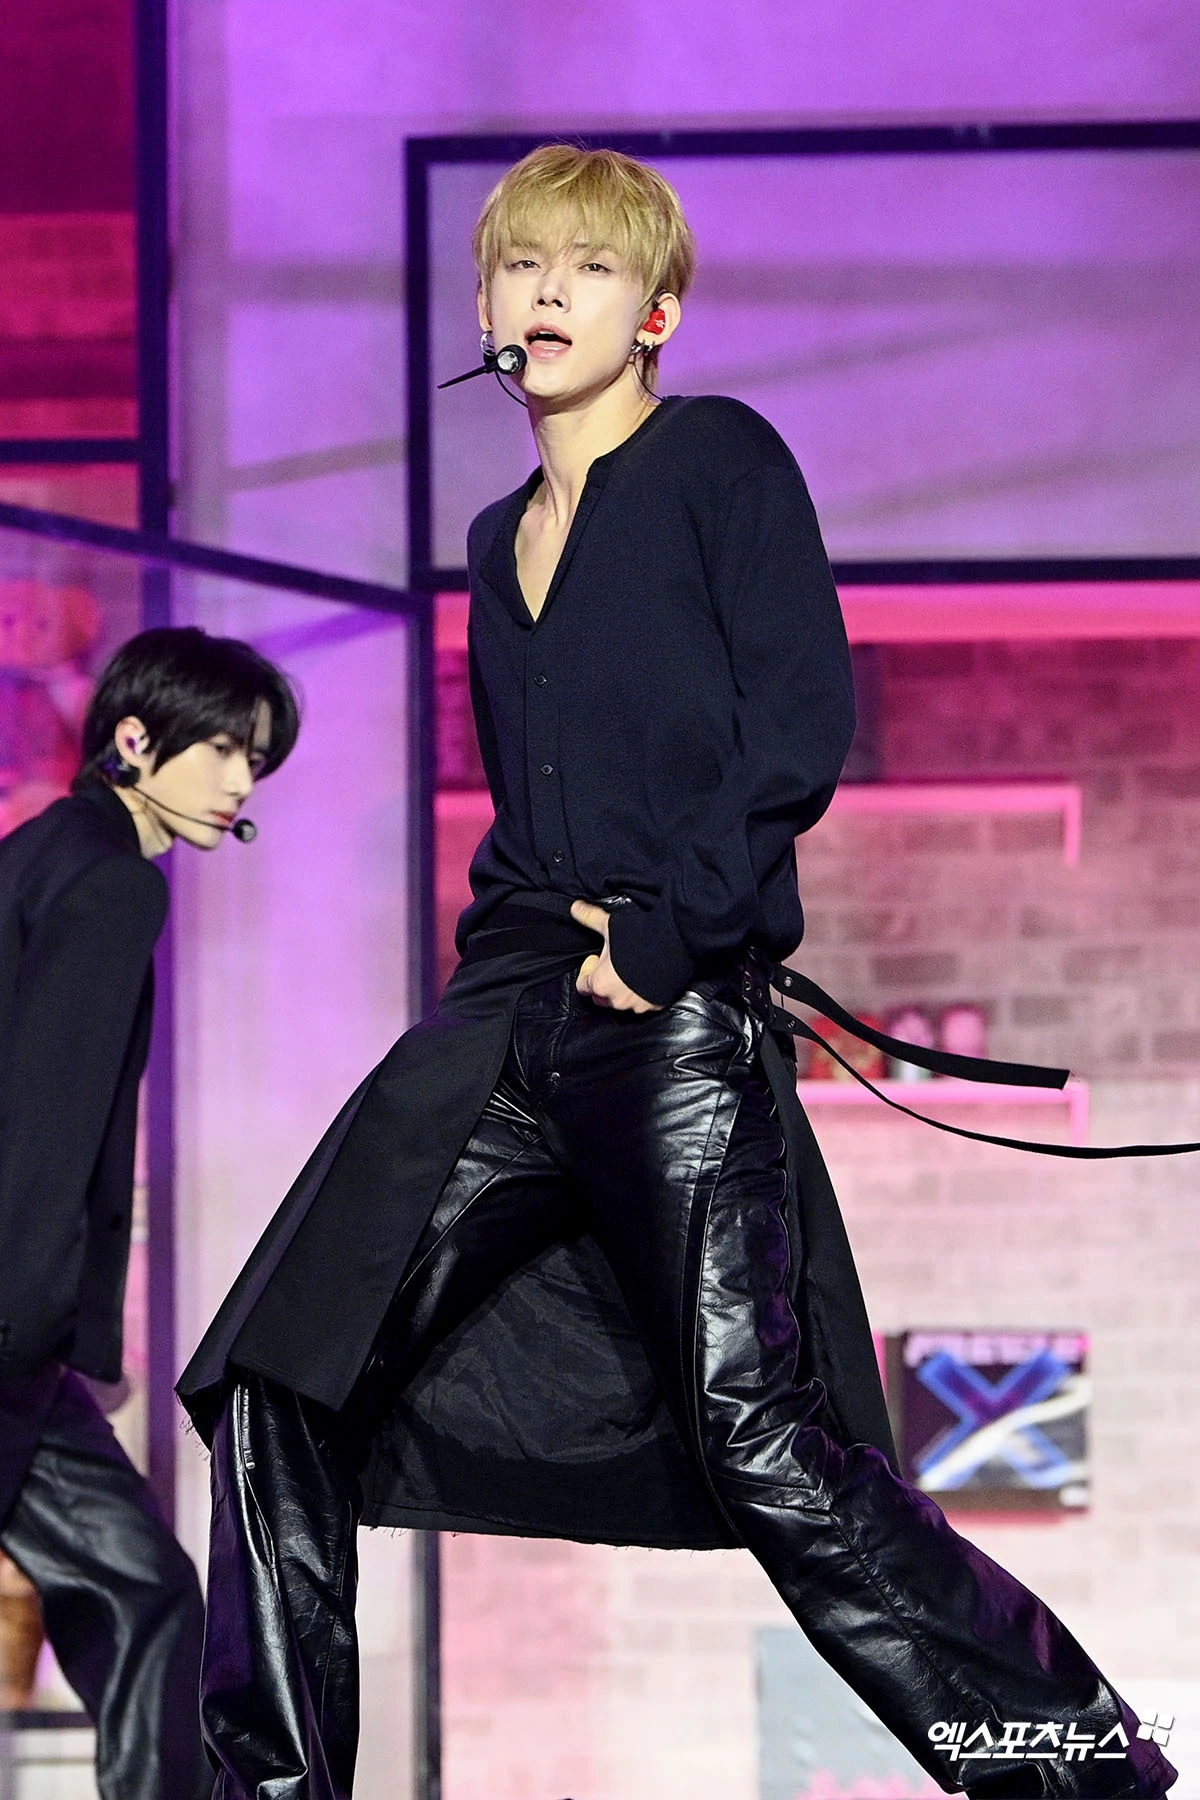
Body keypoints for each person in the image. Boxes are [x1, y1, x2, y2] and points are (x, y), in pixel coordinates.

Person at [179, 147, 1176, 1800]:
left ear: (655, 313)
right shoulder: (498, 541)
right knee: (283, 1381)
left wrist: (668, 935)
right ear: (486, 307)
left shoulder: (718, 459)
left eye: (587, 268)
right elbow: (529, 815)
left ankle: (1085, 1772)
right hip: (506, 1019)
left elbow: (798, 731)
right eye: (521, 267)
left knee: (765, 1443)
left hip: (671, 1018)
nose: (547, 293)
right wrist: (496, 987)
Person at [0, 626, 299, 1800]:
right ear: (133, 738)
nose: (239, 782)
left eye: (254, 760)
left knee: (144, 1593)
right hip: (6, 1328)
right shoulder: (114, 883)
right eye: (221, 748)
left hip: (21, 1332)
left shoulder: (40, 851)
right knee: (147, 1599)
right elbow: (52, 1133)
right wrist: (45, 1336)